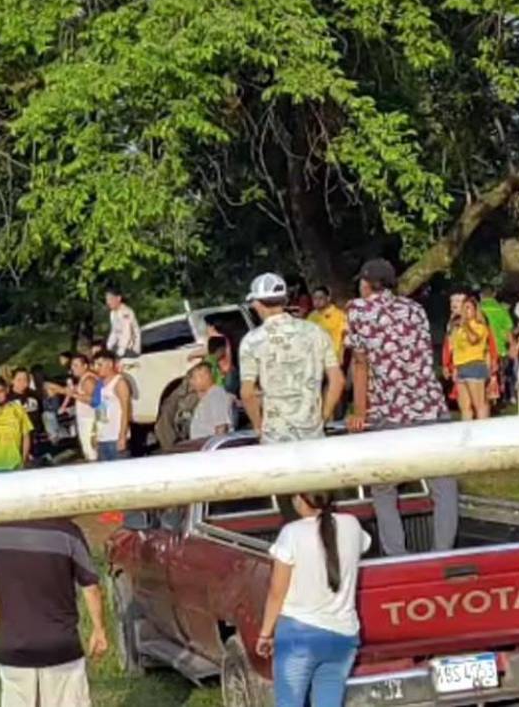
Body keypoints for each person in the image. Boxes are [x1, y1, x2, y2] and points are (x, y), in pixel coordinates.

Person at [345, 259, 455, 556]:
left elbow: (360, 363)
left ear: (367, 283)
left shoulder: (359, 310)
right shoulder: (415, 309)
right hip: (430, 405)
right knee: (444, 484)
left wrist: (359, 411)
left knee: (383, 487)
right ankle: (443, 551)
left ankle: (397, 555)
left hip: (389, 409)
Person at [0, 517, 107, 707]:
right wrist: (99, 628)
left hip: (13, 647)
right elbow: (91, 586)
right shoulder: (67, 532)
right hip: (60, 646)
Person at [256, 493, 371, 707]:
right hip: (343, 635)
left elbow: (276, 591)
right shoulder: (352, 524)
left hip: (298, 635)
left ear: (299, 500)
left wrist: (266, 633)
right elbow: (363, 546)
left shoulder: (291, 533)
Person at [239, 273, 344, 444]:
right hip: (313, 435)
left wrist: (258, 426)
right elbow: (337, 380)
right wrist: (323, 417)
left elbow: (247, 393)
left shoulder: (251, 342)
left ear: (257, 303)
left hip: (275, 437)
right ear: (285, 300)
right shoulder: (316, 332)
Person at [449, 294, 492, 420]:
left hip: (474, 365)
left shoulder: (480, 326)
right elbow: (456, 349)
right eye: (464, 308)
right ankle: (467, 431)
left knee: (478, 403)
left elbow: (473, 339)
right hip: (461, 366)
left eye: (468, 308)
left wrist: (466, 324)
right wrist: (455, 368)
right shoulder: (459, 328)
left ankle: (483, 431)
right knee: (465, 406)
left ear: (475, 311)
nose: (466, 311)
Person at [0, 378, 33, 472]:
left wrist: (24, 459)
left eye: (0, 391)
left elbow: (26, 435)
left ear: (6, 390)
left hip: (15, 464)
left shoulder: (17, 409)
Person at [91, 351, 131, 460]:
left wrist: (122, 435)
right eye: (95, 365)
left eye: (100, 364)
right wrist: (95, 432)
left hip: (115, 438)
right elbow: (98, 410)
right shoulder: (100, 385)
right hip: (102, 437)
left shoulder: (119, 383)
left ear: (110, 364)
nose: (96, 368)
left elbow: (126, 410)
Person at [188, 363, 234, 440]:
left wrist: (215, 452)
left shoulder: (216, 394)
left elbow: (221, 427)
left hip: (210, 448)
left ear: (205, 376)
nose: (191, 382)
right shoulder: (207, 397)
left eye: (194, 378)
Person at [307, 286, 348, 365]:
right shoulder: (311, 316)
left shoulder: (339, 315)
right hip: (316, 360)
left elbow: (345, 335)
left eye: (320, 298)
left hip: (334, 360)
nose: (317, 301)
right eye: (315, 298)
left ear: (328, 298)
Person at [104, 287, 140, 358]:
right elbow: (114, 332)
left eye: (110, 299)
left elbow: (127, 333)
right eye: (107, 299)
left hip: (131, 349)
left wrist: (121, 351)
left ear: (119, 298)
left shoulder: (126, 312)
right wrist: (108, 346)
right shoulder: (113, 313)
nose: (108, 302)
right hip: (120, 347)